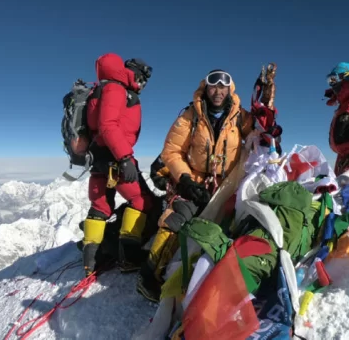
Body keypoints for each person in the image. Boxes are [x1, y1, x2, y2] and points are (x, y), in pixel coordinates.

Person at [136, 68, 280, 301]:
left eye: (223, 87)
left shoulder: (239, 117)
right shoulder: (190, 116)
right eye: (214, 86)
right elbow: (172, 151)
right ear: (206, 87)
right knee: (178, 218)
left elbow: (261, 129)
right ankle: (149, 275)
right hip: (195, 180)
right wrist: (184, 179)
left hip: (226, 184)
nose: (218, 91)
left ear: (229, 90)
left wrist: (267, 99)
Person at [81, 53, 161, 276]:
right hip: (115, 158)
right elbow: (108, 126)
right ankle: (130, 258)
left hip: (98, 158)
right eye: (143, 78)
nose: (144, 84)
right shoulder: (116, 89)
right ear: (135, 73)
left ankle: (90, 263)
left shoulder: (101, 89)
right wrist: (125, 158)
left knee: (100, 206)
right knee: (141, 200)